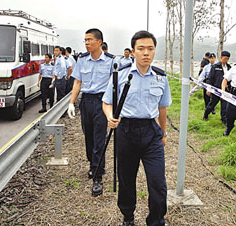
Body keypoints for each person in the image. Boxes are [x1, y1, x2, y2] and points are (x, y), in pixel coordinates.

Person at [102, 30, 171, 226]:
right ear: (133, 51)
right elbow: (106, 102)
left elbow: (162, 108)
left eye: (150, 48)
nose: (146, 53)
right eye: (141, 49)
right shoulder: (120, 75)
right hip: (126, 132)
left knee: (158, 183)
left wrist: (163, 133)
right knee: (126, 180)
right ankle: (128, 216)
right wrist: (110, 117)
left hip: (151, 133)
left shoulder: (160, 77)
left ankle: (157, 220)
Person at [67, 28, 115, 197]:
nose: (86, 43)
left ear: (99, 42)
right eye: (85, 40)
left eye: (89, 40)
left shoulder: (110, 61)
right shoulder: (82, 60)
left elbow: (114, 86)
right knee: (88, 137)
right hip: (86, 102)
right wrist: (72, 103)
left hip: (102, 102)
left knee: (99, 139)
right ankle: (93, 163)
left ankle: (98, 175)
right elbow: (77, 83)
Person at [203, 51, 231, 124]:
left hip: (225, 90)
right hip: (216, 89)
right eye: (225, 58)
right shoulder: (215, 67)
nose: (226, 60)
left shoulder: (229, 68)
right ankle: (206, 114)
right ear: (221, 57)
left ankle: (224, 120)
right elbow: (209, 78)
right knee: (212, 104)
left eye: (227, 59)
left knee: (224, 106)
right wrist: (209, 89)